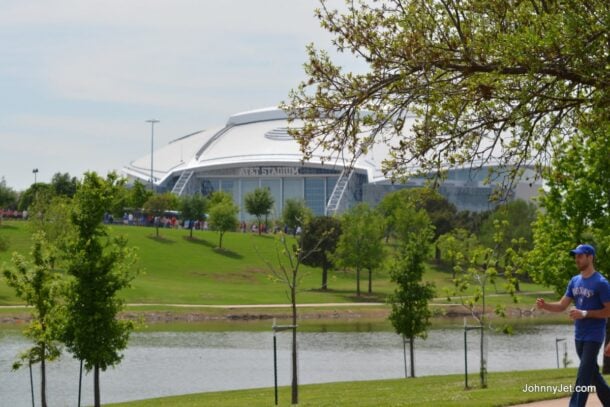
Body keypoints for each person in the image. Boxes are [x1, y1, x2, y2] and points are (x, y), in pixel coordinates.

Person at [536, 244, 610, 407]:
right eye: (575, 256)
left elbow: (609, 311)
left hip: (594, 335)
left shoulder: (601, 283)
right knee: (592, 373)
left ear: (590, 257)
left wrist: (585, 313)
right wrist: (545, 305)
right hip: (579, 335)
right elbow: (562, 305)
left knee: (583, 374)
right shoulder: (574, 281)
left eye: (580, 256)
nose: (576, 259)